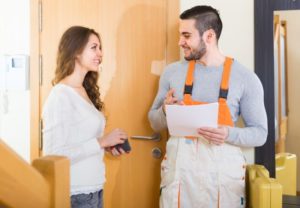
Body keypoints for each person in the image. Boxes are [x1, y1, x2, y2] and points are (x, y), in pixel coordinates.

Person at [148, 5, 268, 208]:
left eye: (186, 35)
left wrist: (227, 134)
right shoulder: (172, 73)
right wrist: (165, 110)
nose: (180, 42)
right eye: (180, 35)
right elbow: (153, 122)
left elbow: (260, 133)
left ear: (209, 35)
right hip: (179, 181)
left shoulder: (246, 78)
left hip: (223, 184)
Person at [42, 26, 128, 208]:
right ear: (76, 51)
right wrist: (100, 142)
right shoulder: (60, 96)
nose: (100, 53)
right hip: (75, 193)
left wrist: (106, 146)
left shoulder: (84, 91)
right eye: (94, 47)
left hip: (94, 189)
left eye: (100, 47)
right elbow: (54, 154)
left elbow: (81, 141)